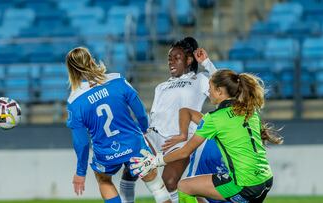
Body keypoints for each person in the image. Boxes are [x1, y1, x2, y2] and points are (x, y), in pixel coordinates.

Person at [131, 69, 283, 203]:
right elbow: (189, 113)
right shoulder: (249, 111)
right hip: (265, 179)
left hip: (244, 184)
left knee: (184, 187)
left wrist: (154, 161)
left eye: (210, 88)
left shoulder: (214, 118)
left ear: (219, 91)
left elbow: (185, 152)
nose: (208, 92)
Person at [65, 47, 171, 203]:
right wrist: (144, 131)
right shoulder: (117, 80)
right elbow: (140, 112)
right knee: (156, 187)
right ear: (92, 60)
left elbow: (81, 143)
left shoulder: (74, 102)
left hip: (106, 153)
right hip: (133, 144)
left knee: (104, 180)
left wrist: (80, 172)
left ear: (71, 70)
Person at [119, 37, 218, 203]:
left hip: (181, 139)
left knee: (170, 182)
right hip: (154, 135)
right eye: (169, 59)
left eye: (176, 58)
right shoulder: (161, 86)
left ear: (188, 60)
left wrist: (207, 63)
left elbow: (222, 86)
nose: (171, 62)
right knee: (131, 168)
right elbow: (155, 114)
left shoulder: (200, 79)